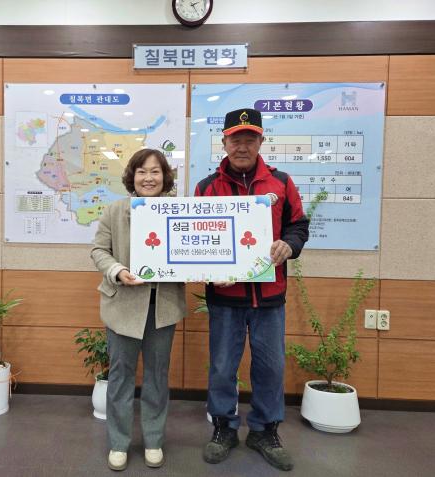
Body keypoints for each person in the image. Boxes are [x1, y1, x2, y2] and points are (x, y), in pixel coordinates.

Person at [194, 108, 309, 471]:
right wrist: (208, 270)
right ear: (224, 142)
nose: (242, 146)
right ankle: (224, 428)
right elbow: (196, 240)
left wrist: (290, 245)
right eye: (236, 139)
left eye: (250, 139)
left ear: (261, 141)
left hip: (269, 297)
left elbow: (298, 226)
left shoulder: (281, 182)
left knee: (271, 368)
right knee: (222, 367)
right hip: (225, 298)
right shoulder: (207, 188)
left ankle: (264, 430)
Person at [91, 148, 185, 471]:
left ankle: (153, 440)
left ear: (165, 177)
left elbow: (192, 251)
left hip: (163, 307)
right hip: (123, 306)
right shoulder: (115, 210)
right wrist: (117, 270)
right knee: (120, 376)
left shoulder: (180, 211)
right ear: (132, 177)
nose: (148, 178)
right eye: (142, 171)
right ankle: (118, 443)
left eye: (155, 171)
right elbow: (99, 250)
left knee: (157, 376)